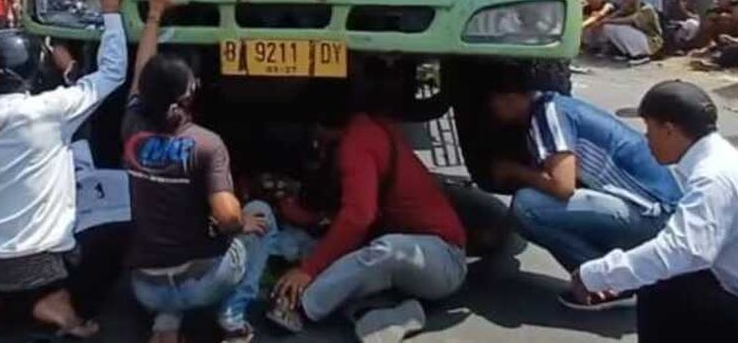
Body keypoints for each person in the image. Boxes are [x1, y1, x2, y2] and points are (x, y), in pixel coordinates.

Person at [575, 80, 738, 342]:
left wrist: (593, 275)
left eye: (649, 129)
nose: (646, 139)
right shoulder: (717, 160)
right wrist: (618, 278)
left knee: (660, 287)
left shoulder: (714, 177)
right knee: (671, 279)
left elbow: (677, 252)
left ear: (668, 130)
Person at [0, 0, 141, 338]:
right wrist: (110, 9)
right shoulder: (48, 109)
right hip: (39, 264)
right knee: (116, 231)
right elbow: (112, 72)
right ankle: (61, 307)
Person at [271, 91, 468, 342]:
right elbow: (332, 212)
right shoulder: (358, 132)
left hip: (444, 257)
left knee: (387, 251)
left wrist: (308, 271)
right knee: (329, 254)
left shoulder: (357, 143)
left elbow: (358, 217)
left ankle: (302, 305)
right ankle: (387, 312)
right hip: (415, 256)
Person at [123, 29, 273, 343]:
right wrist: (242, 221)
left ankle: (166, 323)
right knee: (261, 215)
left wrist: (154, 15)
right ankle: (232, 317)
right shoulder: (207, 144)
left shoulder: (131, 127)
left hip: (145, 288)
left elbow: (141, 71)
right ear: (189, 95)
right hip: (203, 285)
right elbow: (228, 220)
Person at [487, 84, 680, 309]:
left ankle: (610, 281)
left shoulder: (548, 114)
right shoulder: (557, 106)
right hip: (657, 212)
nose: (491, 112)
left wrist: (512, 170)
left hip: (654, 216)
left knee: (527, 206)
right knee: (544, 206)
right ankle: (623, 269)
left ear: (510, 97)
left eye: (493, 103)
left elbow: (562, 186)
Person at [583, 0, 664, 62]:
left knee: (613, 26)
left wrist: (606, 20)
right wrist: (600, 20)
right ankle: (627, 53)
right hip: (640, 39)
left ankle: (640, 55)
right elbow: (615, 15)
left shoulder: (646, 8)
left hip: (652, 44)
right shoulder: (628, 6)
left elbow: (630, 20)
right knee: (606, 27)